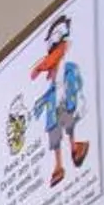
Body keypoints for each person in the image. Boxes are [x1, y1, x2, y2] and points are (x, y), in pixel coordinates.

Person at [30, 14, 90, 186]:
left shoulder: (68, 68)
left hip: (65, 103)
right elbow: (50, 85)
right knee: (55, 134)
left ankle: (74, 149)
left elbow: (72, 78)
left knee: (68, 125)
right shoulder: (54, 77)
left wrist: (75, 92)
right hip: (55, 107)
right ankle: (58, 166)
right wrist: (41, 103)